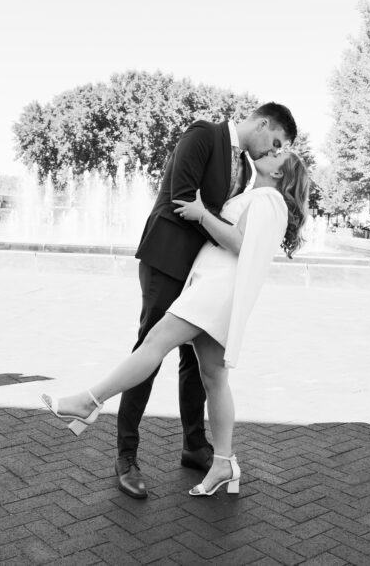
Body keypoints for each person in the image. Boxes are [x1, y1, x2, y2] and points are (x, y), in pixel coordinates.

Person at [42, 151, 310, 497]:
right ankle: (224, 462)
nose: (270, 152)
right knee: (214, 378)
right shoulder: (258, 196)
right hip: (214, 289)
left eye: (278, 154)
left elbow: (241, 244)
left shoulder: (269, 198)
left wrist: (201, 215)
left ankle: (89, 401)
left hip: (215, 290)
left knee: (154, 343)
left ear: (279, 173)